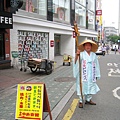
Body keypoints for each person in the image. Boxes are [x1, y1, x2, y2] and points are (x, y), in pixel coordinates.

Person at [73, 39, 101, 108]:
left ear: (91, 47)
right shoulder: (81, 54)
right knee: (82, 86)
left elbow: (96, 65)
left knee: (91, 86)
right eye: (86, 45)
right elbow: (76, 62)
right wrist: (77, 55)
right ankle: (81, 101)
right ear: (84, 47)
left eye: (89, 45)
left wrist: (97, 74)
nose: (88, 47)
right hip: (83, 74)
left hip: (91, 74)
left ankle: (88, 99)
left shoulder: (94, 55)